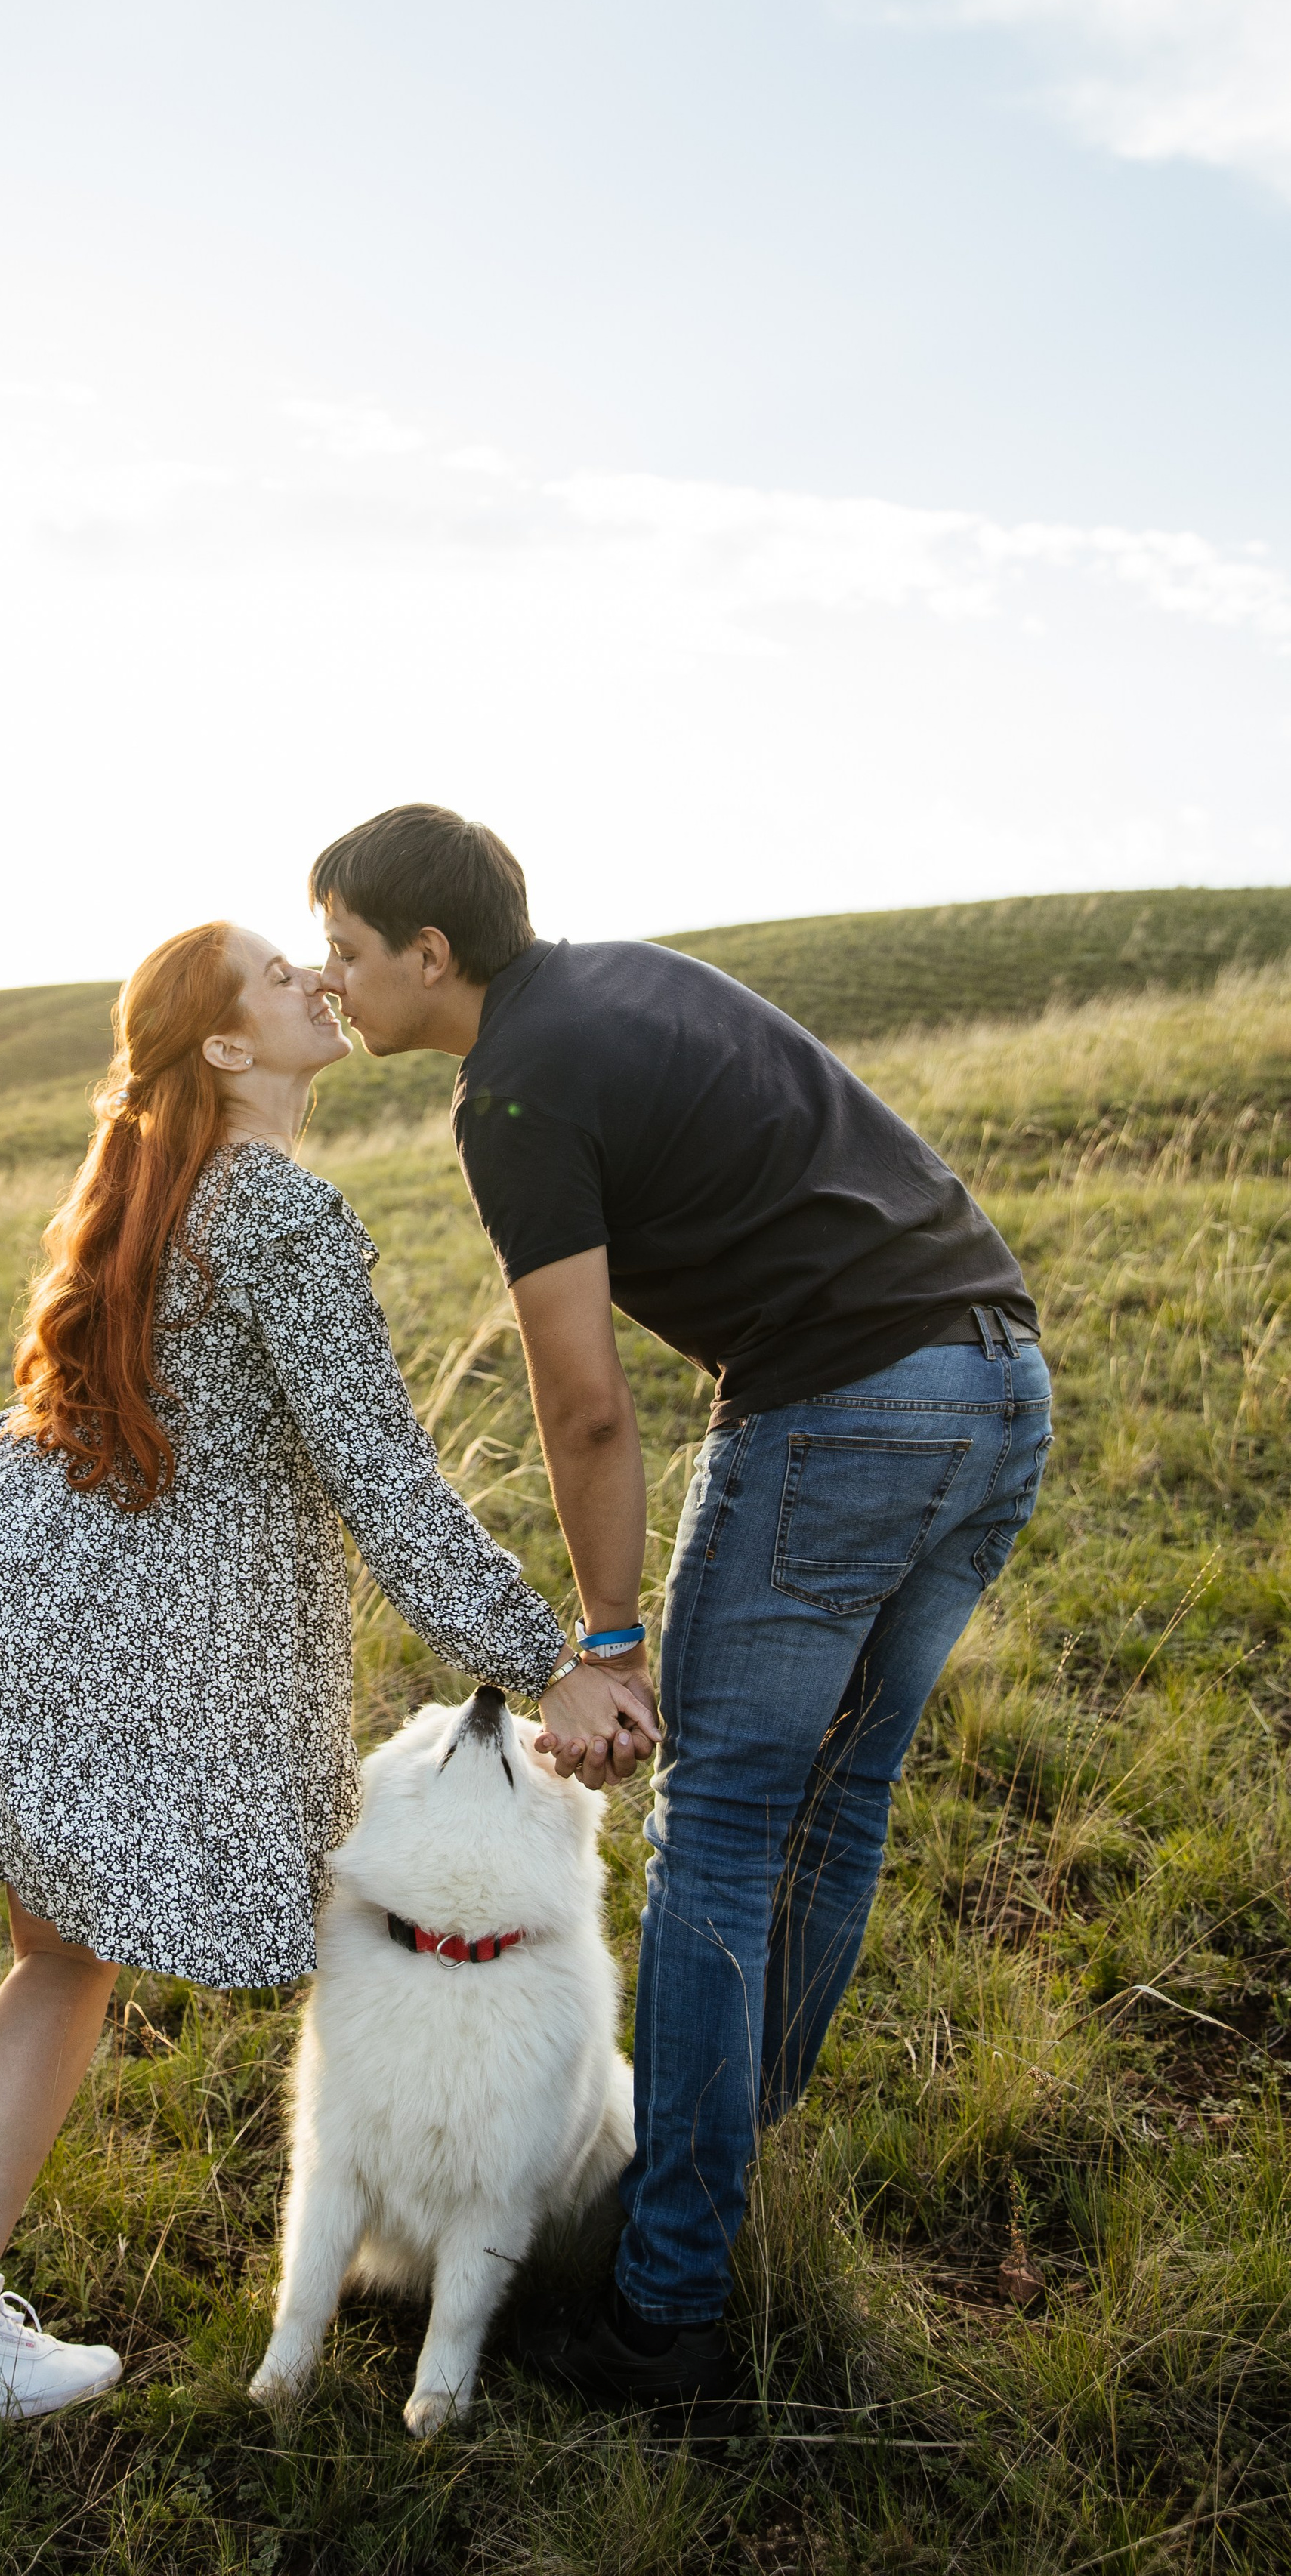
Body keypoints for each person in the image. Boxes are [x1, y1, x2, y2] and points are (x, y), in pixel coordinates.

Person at [0, 918, 654, 2448]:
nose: (315, 976)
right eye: (275, 973)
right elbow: (388, 1490)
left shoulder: (146, 1182)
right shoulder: (281, 1210)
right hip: (76, 1616)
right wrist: (553, 1664)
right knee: (60, 1958)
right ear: (229, 1046)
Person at [312, 804, 1052, 2412]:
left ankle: (663, 2305)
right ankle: (707, 2186)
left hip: (843, 1415)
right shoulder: (630, 980)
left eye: (346, 951)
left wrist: (604, 1637)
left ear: (428, 953)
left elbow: (583, 1405)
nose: (334, 983)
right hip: (1000, 1390)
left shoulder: (509, 1090)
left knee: (716, 1831)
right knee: (833, 1810)